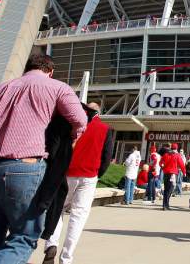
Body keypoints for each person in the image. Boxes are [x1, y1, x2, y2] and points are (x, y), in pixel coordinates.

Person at [0, 54, 87, 264]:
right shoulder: (57, 87)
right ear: (51, 71)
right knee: (24, 236)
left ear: (25, 69)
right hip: (24, 166)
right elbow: (79, 119)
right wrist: (72, 138)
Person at [43, 102, 112, 264]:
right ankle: (66, 258)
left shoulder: (72, 123)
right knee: (78, 216)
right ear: (99, 113)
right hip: (89, 176)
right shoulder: (105, 129)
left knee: (57, 209)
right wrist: (97, 173)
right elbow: (107, 156)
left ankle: (51, 243)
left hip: (67, 172)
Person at [160, 143, 186, 210]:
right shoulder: (177, 155)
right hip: (173, 174)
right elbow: (182, 164)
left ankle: (165, 205)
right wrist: (184, 172)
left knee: (166, 189)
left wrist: (163, 168)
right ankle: (166, 204)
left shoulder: (166, 154)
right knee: (171, 188)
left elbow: (160, 163)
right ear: (176, 148)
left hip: (166, 173)